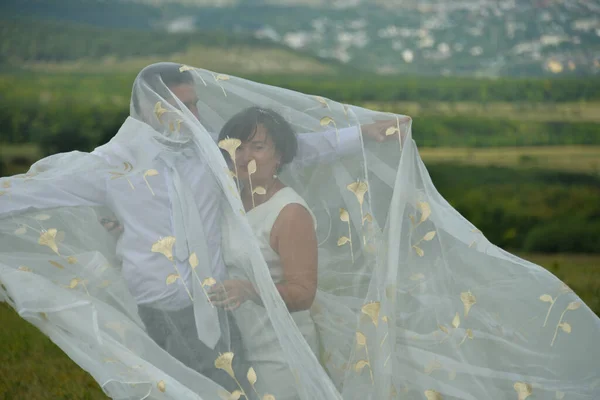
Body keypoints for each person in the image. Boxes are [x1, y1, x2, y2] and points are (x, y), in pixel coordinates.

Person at [1, 61, 599, 400]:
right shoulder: (110, 167)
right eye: (176, 105)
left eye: (192, 103)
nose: (189, 114)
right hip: (162, 309)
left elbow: (283, 150)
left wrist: (359, 135)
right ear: (150, 107)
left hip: (229, 314)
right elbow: (34, 192)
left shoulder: (213, 153)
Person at [208, 107, 319, 399]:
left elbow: (304, 293)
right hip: (237, 347)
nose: (245, 157)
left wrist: (249, 290)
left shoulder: (289, 212)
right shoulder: (227, 200)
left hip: (280, 351)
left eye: (257, 147)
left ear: (278, 155)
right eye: (238, 147)